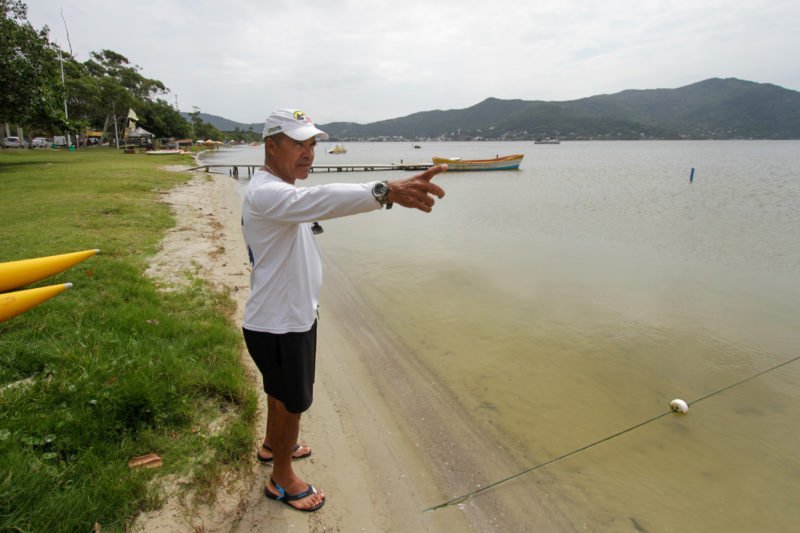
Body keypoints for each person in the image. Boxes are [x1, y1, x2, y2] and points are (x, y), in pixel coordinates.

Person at [241, 108, 446, 512]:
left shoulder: (276, 189)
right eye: (298, 143)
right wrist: (384, 190)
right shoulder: (269, 193)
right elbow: (320, 198)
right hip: (283, 322)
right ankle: (281, 477)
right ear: (271, 145)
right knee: (293, 401)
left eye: (312, 143)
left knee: (279, 392)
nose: (308, 152)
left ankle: (272, 446)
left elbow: (312, 201)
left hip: (281, 316)